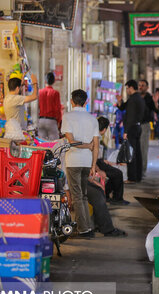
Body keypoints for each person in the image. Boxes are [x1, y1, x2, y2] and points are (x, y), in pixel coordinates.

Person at [61, 89, 100, 238]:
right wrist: (93, 165)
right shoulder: (92, 119)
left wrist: (84, 145)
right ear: (86, 101)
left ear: (72, 101)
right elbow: (95, 145)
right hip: (86, 161)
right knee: (83, 196)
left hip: (73, 161)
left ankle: (84, 229)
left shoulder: (68, 117)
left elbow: (72, 142)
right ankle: (85, 226)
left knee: (77, 196)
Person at [116, 80, 145, 183]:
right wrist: (120, 101)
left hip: (132, 128)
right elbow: (123, 107)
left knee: (131, 153)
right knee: (137, 152)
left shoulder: (133, 100)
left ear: (131, 88)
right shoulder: (137, 98)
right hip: (137, 127)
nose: (127, 90)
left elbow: (130, 117)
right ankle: (137, 176)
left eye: (127, 88)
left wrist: (126, 131)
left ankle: (132, 177)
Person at [96, 117, 130, 205]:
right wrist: (99, 169)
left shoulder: (96, 136)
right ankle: (117, 198)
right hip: (95, 163)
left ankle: (107, 195)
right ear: (104, 129)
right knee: (117, 173)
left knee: (115, 173)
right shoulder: (96, 137)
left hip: (98, 161)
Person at [138, 80, 157, 176]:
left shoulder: (149, 98)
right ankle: (136, 169)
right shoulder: (135, 96)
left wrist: (156, 102)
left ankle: (143, 170)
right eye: (139, 85)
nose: (141, 87)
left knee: (143, 148)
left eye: (143, 85)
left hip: (145, 125)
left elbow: (156, 109)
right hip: (135, 125)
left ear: (147, 87)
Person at [38, 72, 62, 141]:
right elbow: (58, 109)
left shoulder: (40, 92)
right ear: (54, 81)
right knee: (54, 144)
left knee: (41, 143)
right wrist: (59, 122)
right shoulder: (55, 93)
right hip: (51, 121)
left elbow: (38, 107)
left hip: (41, 120)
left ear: (45, 81)